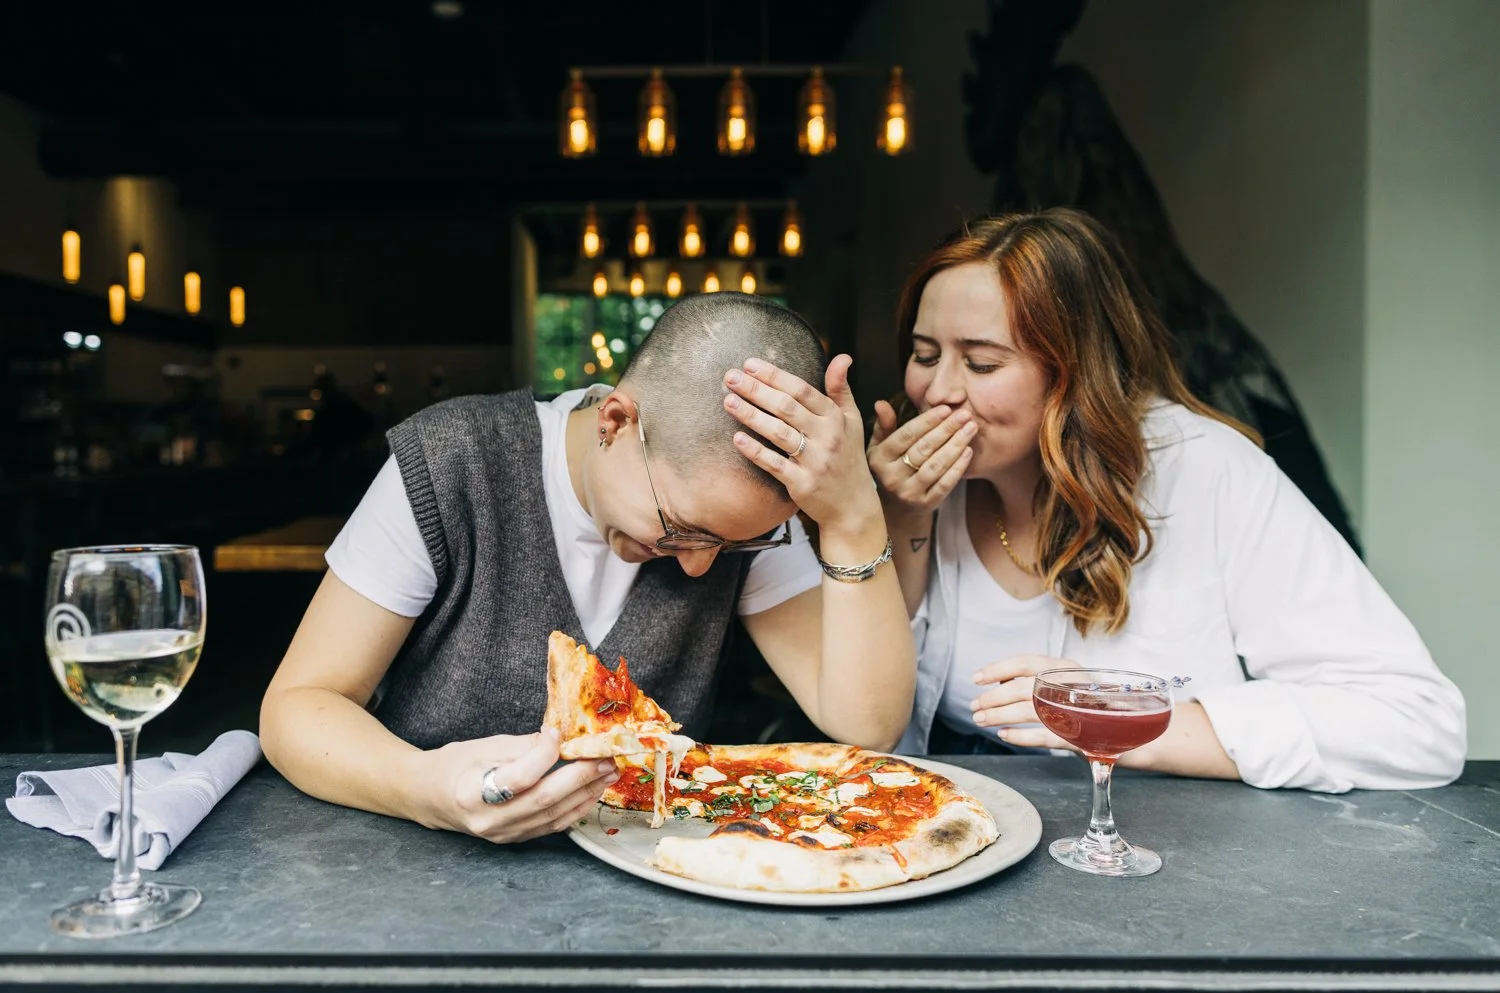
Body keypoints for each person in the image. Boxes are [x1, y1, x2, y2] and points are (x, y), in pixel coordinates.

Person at [260, 293, 910, 843]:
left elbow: (866, 723)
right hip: (419, 870)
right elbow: (296, 708)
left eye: (733, 547)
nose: (699, 567)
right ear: (615, 420)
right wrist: (428, 790)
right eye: (681, 531)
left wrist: (854, 517)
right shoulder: (449, 460)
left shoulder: (740, 519)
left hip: (652, 888)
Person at [867, 208, 1465, 792]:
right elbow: (871, 710)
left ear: (1076, 374)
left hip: (1161, 850)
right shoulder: (910, 489)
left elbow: (1416, 722)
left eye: (981, 363)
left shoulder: (1210, 471)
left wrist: (1127, 720)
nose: (936, 391)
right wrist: (900, 515)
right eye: (924, 356)